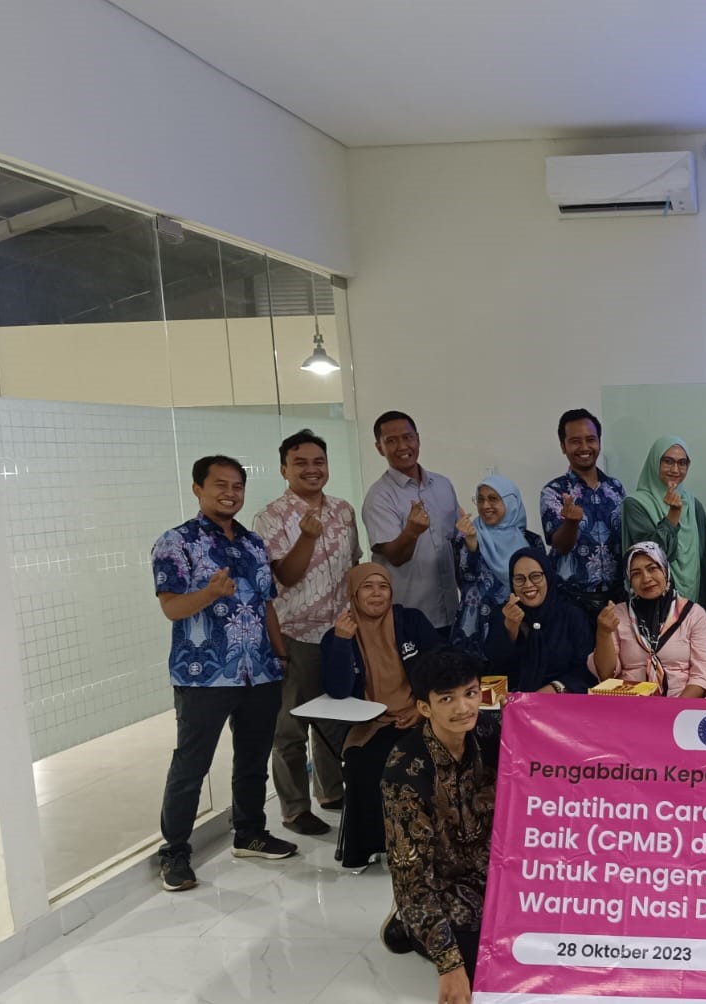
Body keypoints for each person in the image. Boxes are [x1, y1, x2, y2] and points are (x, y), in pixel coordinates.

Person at [152, 455, 297, 892]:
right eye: (220, 484)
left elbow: (266, 604)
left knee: (253, 758)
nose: (230, 493)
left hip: (260, 672)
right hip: (204, 675)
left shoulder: (254, 544)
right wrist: (209, 593)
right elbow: (172, 607)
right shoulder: (176, 542)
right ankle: (175, 852)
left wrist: (281, 655)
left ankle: (250, 833)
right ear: (198, 488)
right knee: (191, 764)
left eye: (237, 486)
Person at [252, 429, 359, 835]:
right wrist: (307, 538)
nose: (311, 469)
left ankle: (330, 792)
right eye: (300, 463)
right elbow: (286, 575)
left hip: (339, 634)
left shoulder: (344, 510)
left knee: (334, 720)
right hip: (294, 634)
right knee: (290, 729)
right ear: (284, 469)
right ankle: (295, 809)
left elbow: (352, 566)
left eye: (318, 462)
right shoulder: (271, 516)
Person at [380, 647, 501, 1004]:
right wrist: (450, 967)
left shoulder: (490, 734)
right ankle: (407, 923)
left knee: (536, 933)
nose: (463, 707)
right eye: (447, 699)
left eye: (470, 693)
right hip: (439, 883)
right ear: (424, 707)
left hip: (491, 871)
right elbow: (411, 877)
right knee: (482, 964)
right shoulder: (406, 773)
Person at [320, 563, 440, 867]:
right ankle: (374, 845)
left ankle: (425, 842)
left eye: (383, 586)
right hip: (371, 723)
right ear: (353, 594)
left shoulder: (410, 621)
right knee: (361, 762)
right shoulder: (337, 635)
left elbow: (441, 667)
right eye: (367, 587)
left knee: (415, 757)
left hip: (419, 715)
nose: (377, 593)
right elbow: (338, 690)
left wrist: (421, 708)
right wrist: (342, 643)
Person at [362, 411, 459, 635]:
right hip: (410, 618)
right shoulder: (379, 497)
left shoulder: (443, 485)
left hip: (453, 612)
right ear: (379, 448)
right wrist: (412, 532)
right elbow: (395, 557)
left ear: (418, 439)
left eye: (408, 437)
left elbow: (456, 545)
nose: (402, 446)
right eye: (391, 441)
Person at [590, 542, 706, 698]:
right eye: (636, 573)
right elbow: (606, 674)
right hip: (629, 703)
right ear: (629, 580)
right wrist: (604, 633)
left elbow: (705, 674)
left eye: (652, 568)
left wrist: (674, 708)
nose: (646, 578)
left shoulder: (693, 614)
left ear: (665, 570)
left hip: (681, 703)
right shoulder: (617, 615)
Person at [622, 436, 706, 629]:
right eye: (668, 461)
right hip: (656, 608)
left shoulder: (693, 504)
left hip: (698, 604)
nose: (675, 470)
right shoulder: (635, 504)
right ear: (654, 463)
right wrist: (673, 516)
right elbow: (651, 557)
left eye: (682, 463)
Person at [539, 408, 626, 622]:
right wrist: (571, 523)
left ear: (599, 443)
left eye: (591, 440)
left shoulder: (616, 488)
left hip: (616, 600)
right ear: (563, 446)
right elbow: (561, 545)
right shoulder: (554, 492)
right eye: (575, 441)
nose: (585, 447)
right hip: (571, 603)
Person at [481, 547, 596, 694]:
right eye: (519, 579)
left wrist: (555, 688)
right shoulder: (503, 614)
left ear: (548, 576)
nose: (528, 585)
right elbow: (496, 666)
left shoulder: (571, 615)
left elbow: (586, 670)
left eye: (535, 576)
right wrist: (510, 628)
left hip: (561, 699)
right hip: (513, 700)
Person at [451, 475, 541, 649]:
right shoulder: (467, 536)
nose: (485, 506)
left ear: (510, 501)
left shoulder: (531, 541)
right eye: (480, 499)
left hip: (518, 624)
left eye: (493, 499)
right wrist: (471, 544)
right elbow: (465, 577)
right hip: (475, 627)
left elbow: (540, 585)